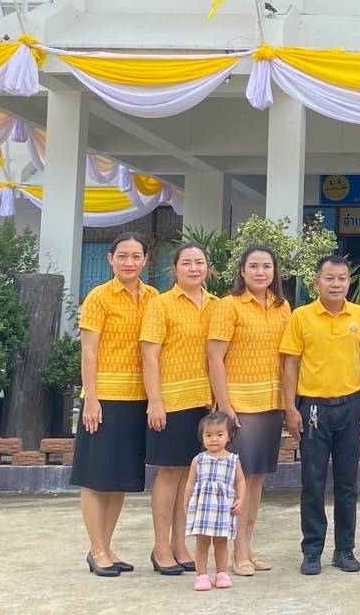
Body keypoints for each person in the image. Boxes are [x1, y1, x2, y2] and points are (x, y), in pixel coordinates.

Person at [73, 232, 160, 577]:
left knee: (119, 477)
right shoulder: (99, 297)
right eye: (122, 256)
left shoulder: (153, 297)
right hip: (104, 399)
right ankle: (96, 549)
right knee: (96, 477)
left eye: (136, 256)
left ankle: (107, 546)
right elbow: (89, 351)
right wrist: (91, 397)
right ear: (110, 260)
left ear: (145, 261)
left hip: (137, 398)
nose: (129, 262)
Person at [280, 254, 360, 576]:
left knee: (348, 483)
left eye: (342, 278)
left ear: (349, 282)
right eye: (329, 278)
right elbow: (289, 362)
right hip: (313, 409)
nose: (336, 284)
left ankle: (345, 550)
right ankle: (312, 551)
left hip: (351, 407)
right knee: (313, 482)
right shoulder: (301, 316)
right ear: (316, 282)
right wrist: (290, 407)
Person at [206, 245, 292, 577]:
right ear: (242, 271)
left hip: (270, 406)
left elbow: (287, 360)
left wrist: (288, 404)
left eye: (266, 267)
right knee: (238, 482)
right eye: (253, 266)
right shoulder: (229, 307)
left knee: (256, 480)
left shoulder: (283, 307)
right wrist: (225, 407)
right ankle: (235, 551)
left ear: (275, 272)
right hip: (239, 407)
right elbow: (215, 359)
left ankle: (247, 545)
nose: (260, 272)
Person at [140, 242, 218, 576]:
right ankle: (160, 547)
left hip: (204, 403)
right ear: (175, 269)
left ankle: (180, 544)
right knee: (169, 473)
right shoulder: (161, 304)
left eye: (199, 262)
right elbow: (150, 355)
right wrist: (155, 401)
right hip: (170, 403)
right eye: (186, 263)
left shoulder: (216, 305)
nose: (193, 268)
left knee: (191, 475)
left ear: (208, 267)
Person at [184, 411, 247, 592]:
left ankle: (221, 573)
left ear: (229, 436)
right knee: (202, 542)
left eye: (219, 435)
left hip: (223, 508)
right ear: (202, 437)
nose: (213, 439)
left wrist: (241, 499)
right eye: (208, 435)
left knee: (221, 542)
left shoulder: (233, 461)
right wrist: (185, 504)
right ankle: (201, 575)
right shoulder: (198, 460)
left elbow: (241, 481)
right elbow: (190, 483)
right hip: (203, 508)